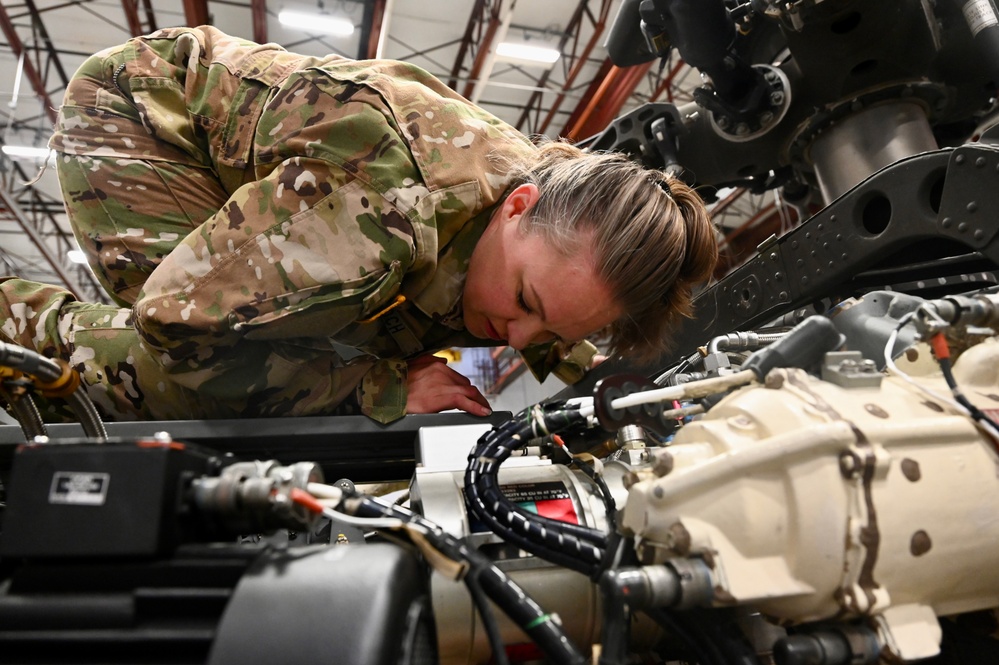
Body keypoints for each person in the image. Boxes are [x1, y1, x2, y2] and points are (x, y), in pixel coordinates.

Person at [0, 26, 717, 425]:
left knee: (366, 342)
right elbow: (177, 324)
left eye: (554, 332)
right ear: (518, 205)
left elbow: (556, 340)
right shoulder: (383, 206)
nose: (523, 338)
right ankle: (18, 327)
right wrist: (376, 389)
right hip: (147, 118)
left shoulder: (542, 247)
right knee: (192, 378)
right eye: (528, 306)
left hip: (331, 214)